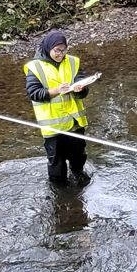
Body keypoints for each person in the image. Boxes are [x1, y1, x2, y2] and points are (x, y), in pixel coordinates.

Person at [23, 30, 93, 185]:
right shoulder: (35, 67)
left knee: (78, 155)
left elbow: (83, 88)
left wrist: (80, 89)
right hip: (53, 126)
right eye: (57, 51)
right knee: (57, 162)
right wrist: (56, 91)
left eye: (64, 50)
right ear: (49, 48)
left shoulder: (73, 62)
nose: (61, 54)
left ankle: (78, 176)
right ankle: (59, 189)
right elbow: (34, 93)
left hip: (74, 121)